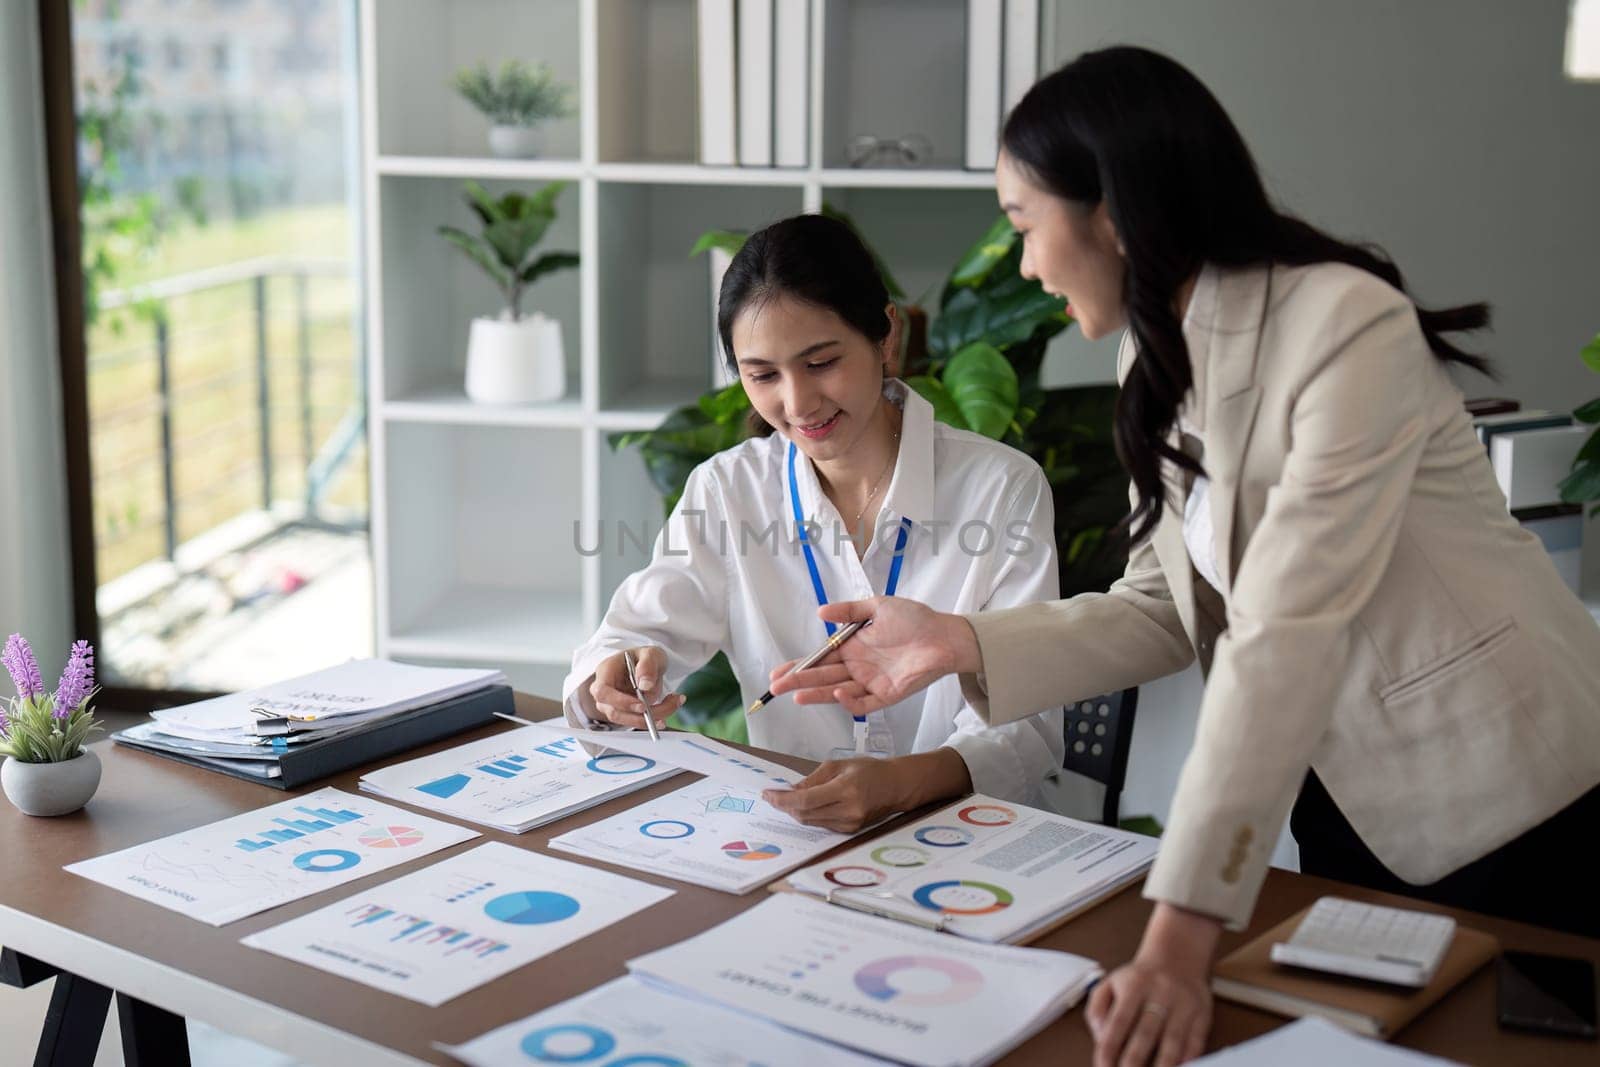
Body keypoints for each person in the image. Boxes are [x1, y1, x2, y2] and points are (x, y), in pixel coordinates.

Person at [767, 46, 1600, 1067]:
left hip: (1522, 790)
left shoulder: (1344, 326)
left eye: (1026, 223)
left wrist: (1179, 933)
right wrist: (956, 639)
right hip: (1351, 800)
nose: (1024, 262)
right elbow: (1166, 606)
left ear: (1109, 212)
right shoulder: (1157, 350)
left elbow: (1284, 628)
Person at [562, 213, 1064, 831]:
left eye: (822, 362)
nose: (797, 404)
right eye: (763, 376)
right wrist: (608, 685)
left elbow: (1030, 727)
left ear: (885, 337)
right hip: (796, 839)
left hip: (970, 837)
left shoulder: (999, 489)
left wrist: (900, 784)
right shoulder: (728, 490)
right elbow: (629, 636)